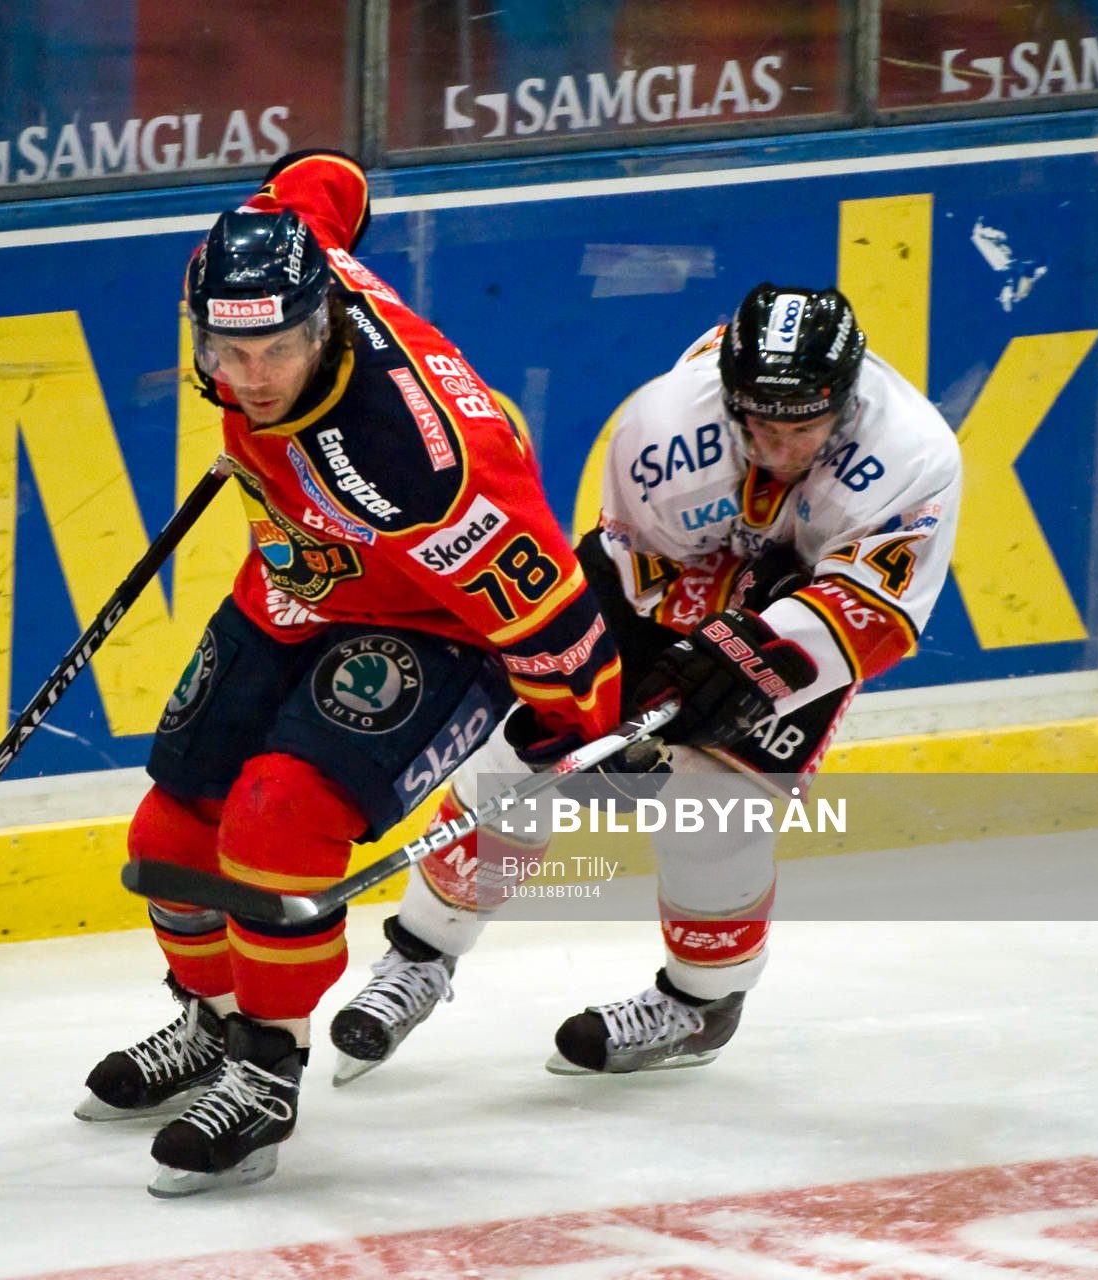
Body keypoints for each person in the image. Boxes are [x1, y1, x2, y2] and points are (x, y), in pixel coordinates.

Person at [77, 149, 627, 1197]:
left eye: (274, 353)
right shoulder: (258, 257)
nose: (244, 379)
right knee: (169, 833)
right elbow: (326, 179)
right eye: (224, 352)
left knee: (277, 819)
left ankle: (264, 1070)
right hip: (297, 569)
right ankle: (211, 1020)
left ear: (323, 324)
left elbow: (544, 599)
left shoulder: (410, 463)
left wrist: (575, 728)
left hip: (431, 619)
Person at [328, 282, 962, 1081]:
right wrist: (669, 674)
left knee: (714, 808)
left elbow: (876, 613)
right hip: (670, 583)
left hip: (807, 611)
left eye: (801, 426)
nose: (777, 445)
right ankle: (420, 955)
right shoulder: (664, 426)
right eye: (758, 422)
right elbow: (639, 570)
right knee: (527, 751)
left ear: (845, 397)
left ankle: (699, 1006)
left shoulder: (912, 453)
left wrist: (745, 653)